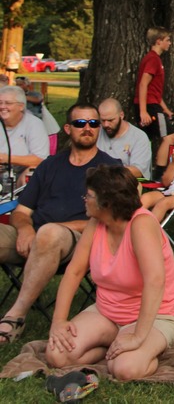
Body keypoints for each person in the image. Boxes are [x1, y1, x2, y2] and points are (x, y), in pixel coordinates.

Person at [47, 165, 174, 381]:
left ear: (107, 203)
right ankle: (113, 346)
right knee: (57, 355)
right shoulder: (97, 223)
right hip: (107, 312)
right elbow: (74, 271)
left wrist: (138, 337)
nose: (84, 198)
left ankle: (140, 349)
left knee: (124, 369)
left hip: (157, 315)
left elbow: (155, 281)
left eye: (89, 195)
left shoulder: (141, 225)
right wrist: (59, 321)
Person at [0, 103, 120, 345]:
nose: (87, 128)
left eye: (93, 123)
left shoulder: (110, 168)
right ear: (67, 128)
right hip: (32, 236)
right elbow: (22, 211)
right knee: (40, 232)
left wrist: (49, 230)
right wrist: (25, 229)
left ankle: (15, 317)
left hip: (79, 241)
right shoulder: (49, 165)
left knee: (51, 233)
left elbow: (111, 218)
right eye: (80, 123)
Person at [0, 85, 49, 190]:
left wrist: (5, 159)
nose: (2, 106)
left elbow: (40, 159)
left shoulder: (34, 124)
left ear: (21, 106)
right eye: (0, 103)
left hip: (20, 175)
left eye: (8, 103)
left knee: (32, 172)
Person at [133, 26, 174, 143]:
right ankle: (162, 162)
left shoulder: (156, 59)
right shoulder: (153, 59)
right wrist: (143, 111)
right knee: (169, 137)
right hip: (150, 106)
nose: (170, 43)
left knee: (148, 139)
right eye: (167, 40)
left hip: (153, 104)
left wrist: (166, 109)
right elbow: (143, 84)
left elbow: (154, 90)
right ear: (158, 41)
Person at [97, 98, 152, 180]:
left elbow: (138, 171)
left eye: (110, 120)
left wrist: (105, 172)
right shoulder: (96, 132)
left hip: (124, 185)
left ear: (121, 115)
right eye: (102, 120)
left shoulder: (139, 137)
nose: (106, 124)